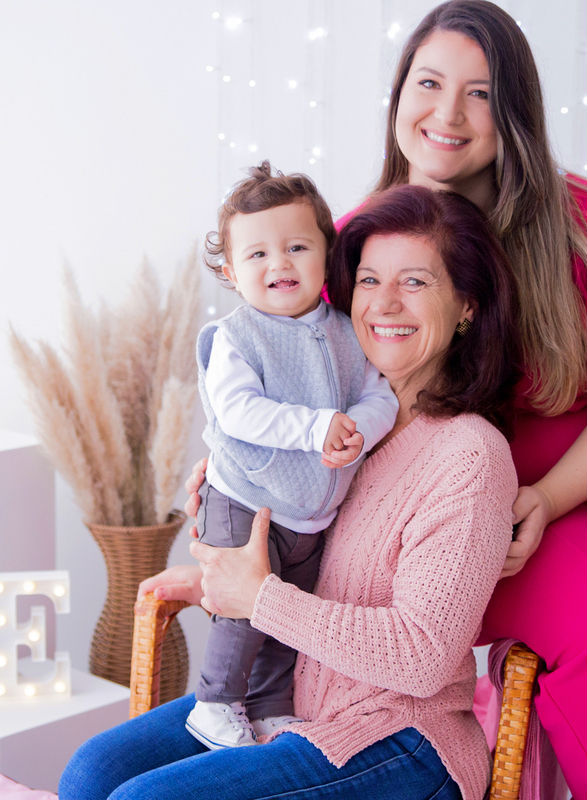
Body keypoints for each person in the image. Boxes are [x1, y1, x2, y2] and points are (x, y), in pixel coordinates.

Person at [162, 2, 587, 798]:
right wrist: (230, 467)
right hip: (477, 494)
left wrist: (549, 497)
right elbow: (276, 363)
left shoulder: (583, 224)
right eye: (429, 83)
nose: (447, 114)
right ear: (399, 96)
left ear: (515, 113)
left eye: (481, 93)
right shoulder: (358, 238)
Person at [59, 184, 522, 800]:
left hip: (401, 737)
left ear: (466, 304)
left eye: (415, 282)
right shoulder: (328, 422)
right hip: (287, 695)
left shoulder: (469, 454)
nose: (384, 304)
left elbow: (423, 657)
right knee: (91, 773)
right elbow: (297, 550)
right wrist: (229, 532)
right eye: (367, 281)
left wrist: (259, 597)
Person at [187, 161, 398, 749]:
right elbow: (237, 412)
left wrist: (359, 429)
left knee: (285, 615)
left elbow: (378, 394)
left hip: (311, 514)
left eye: (296, 247)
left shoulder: (348, 330)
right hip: (245, 497)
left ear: (328, 254)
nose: (278, 264)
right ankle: (215, 701)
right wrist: (316, 428)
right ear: (230, 271)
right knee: (241, 609)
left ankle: (271, 706)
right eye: (257, 255)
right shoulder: (236, 336)